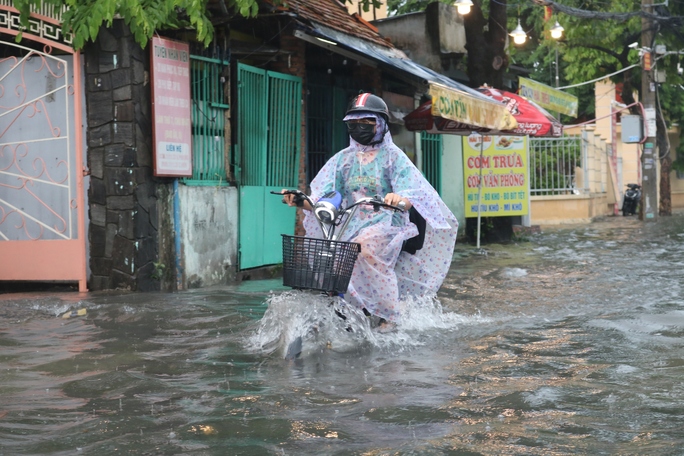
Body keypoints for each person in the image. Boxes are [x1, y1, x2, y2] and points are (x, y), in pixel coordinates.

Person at [283, 93, 458, 326]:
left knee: (364, 247)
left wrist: (399, 199)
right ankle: (351, 310)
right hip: (349, 224)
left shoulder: (394, 157)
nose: (359, 128)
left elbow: (412, 194)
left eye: (367, 122)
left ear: (382, 124)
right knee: (334, 259)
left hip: (386, 224)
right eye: (353, 124)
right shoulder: (342, 160)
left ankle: (389, 315)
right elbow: (323, 197)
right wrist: (298, 200)